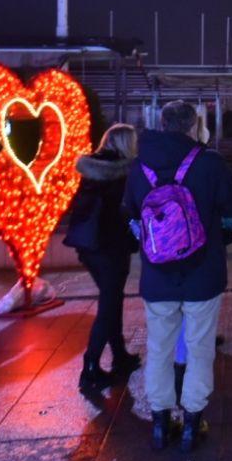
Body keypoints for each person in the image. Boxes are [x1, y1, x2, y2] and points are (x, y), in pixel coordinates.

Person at [123, 101, 232, 453]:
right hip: (202, 274)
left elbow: (129, 212)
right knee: (199, 348)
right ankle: (193, 421)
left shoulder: (140, 167)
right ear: (194, 127)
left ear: (162, 125)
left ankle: (160, 422)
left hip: (158, 277)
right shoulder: (208, 163)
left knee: (159, 349)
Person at [63, 124, 142, 393]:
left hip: (89, 246)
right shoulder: (121, 174)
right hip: (111, 246)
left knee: (113, 298)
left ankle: (119, 354)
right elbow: (127, 210)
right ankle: (90, 367)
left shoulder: (91, 169)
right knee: (109, 303)